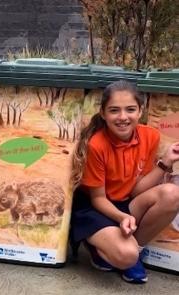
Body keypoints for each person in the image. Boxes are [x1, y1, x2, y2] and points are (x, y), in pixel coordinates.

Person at [71, 80, 179, 283]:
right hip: (97, 207)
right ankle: (105, 247)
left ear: (140, 111)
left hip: (127, 202)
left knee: (173, 193)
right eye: (114, 110)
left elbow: (138, 190)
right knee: (124, 255)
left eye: (130, 109)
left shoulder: (150, 136)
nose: (123, 117)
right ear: (103, 113)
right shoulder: (96, 144)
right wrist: (122, 218)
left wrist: (165, 162)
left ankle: (133, 252)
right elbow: (98, 199)